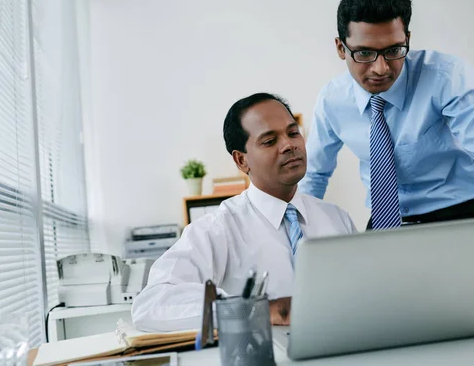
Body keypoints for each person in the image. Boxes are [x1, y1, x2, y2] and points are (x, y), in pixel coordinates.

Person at [300, 0, 474, 230]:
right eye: (364, 54)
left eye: (393, 50)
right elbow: (313, 176)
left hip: (456, 217)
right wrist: (300, 243)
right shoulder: (331, 100)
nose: (381, 68)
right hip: (384, 225)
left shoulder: (446, 77)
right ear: (340, 48)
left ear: (407, 39)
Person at [131, 93, 356, 332]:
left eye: (293, 133)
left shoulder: (337, 219)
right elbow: (152, 304)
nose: (289, 145)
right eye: (269, 141)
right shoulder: (217, 229)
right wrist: (256, 310)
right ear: (241, 161)